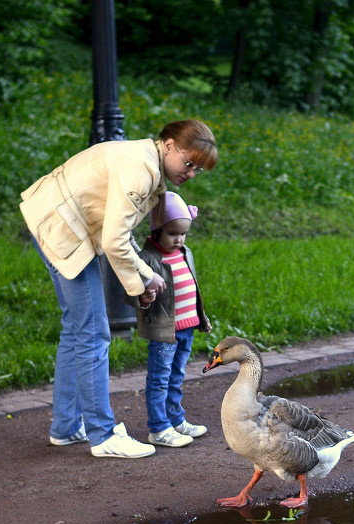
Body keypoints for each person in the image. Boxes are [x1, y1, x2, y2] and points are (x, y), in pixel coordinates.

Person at [20, 119, 218, 458]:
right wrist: (144, 281)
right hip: (62, 227)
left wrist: (143, 278)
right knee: (93, 332)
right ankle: (103, 434)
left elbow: (118, 235)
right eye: (188, 163)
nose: (191, 173)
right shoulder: (140, 169)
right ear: (168, 145)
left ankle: (67, 427)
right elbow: (115, 241)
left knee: (77, 329)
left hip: (58, 219)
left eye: (198, 169)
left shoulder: (147, 162)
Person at [131, 192, 211, 448]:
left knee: (176, 376)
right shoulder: (148, 259)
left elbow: (193, 290)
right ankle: (158, 427)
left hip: (186, 329)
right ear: (156, 231)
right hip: (164, 332)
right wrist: (143, 298)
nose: (179, 239)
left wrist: (201, 318)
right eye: (172, 233)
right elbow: (132, 292)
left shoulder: (185, 252)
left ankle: (176, 419)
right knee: (159, 378)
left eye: (183, 233)